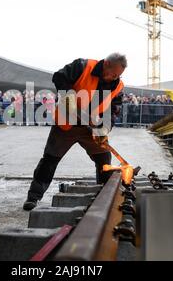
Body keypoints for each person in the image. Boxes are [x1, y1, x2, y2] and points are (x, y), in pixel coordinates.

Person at [23, 53, 127, 211]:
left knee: (104, 160)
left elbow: (113, 110)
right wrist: (69, 98)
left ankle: (105, 197)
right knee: (50, 160)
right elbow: (59, 77)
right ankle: (33, 197)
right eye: (113, 73)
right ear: (106, 63)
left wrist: (104, 128)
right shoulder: (83, 66)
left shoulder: (117, 86)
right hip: (66, 125)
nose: (114, 77)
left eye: (117, 75)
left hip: (92, 128)